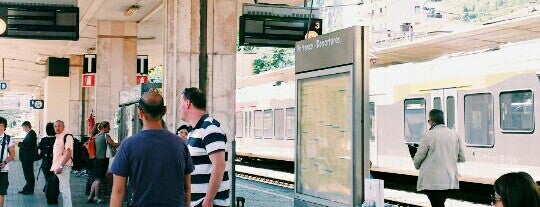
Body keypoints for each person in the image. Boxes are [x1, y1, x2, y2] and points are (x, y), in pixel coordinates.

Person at [110, 89, 194, 207]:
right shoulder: (180, 145)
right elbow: (187, 187)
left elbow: (118, 191)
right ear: (164, 111)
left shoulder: (127, 146)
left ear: (140, 112)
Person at [179, 87, 230, 207]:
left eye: (180, 103)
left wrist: (208, 200)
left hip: (209, 204)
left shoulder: (210, 128)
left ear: (187, 103)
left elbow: (219, 165)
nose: (179, 108)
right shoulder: (194, 131)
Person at [413, 109, 466, 207]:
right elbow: (462, 157)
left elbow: (418, 158)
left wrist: (416, 165)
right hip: (449, 179)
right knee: (439, 204)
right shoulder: (455, 134)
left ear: (431, 121)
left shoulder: (429, 135)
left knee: (437, 204)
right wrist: (449, 157)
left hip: (433, 181)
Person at [89, 121, 119, 203]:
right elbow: (114, 144)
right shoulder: (106, 136)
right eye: (108, 127)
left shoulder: (96, 136)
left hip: (96, 160)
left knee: (96, 179)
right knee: (99, 180)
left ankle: (91, 196)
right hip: (103, 160)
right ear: (104, 128)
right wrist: (124, 142)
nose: (109, 128)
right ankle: (97, 197)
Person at [51, 120, 74, 207]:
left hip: (63, 167)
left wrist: (61, 166)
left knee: (65, 189)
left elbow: (68, 153)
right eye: (55, 126)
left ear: (63, 127)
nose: (57, 127)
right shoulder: (58, 137)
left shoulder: (67, 137)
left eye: (59, 125)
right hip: (58, 167)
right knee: (63, 189)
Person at [16, 121, 38, 195]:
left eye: (23, 127)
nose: (23, 129)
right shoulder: (30, 134)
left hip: (28, 159)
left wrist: (19, 144)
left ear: (27, 126)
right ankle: (27, 189)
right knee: (27, 175)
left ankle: (30, 190)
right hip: (26, 159)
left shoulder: (31, 134)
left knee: (29, 175)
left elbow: (28, 146)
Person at [0, 117, 15, 207]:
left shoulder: (8, 139)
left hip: (3, 170)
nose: (0, 128)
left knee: (1, 192)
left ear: (4, 127)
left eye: (1, 126)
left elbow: (12, 154)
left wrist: (5, 162)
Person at [37, 123, 56, 191]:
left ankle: (47, 188)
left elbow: (39, 153)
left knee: (47, 177)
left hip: (45, 163)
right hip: (55, 163)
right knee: (55, 178)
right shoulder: (58, 140)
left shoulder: (43, 140)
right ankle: (52, 190)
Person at [85, 123, 100, 198]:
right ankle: (92, 195)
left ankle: (89, 193)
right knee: (95, 178)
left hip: (89, 160)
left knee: (91, 177)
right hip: (94, 159)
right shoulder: (95, 139)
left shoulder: (91, 138)